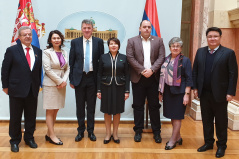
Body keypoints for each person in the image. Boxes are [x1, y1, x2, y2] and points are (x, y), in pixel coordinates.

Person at [192, 27, 238, 158]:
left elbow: (233, 74)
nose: (212, 39)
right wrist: (195, 88)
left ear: (220, 38)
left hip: (221, 94)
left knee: (221, 121)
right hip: (204, 93)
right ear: (207, 38)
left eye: (215, 36)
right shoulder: (200, 52)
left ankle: (221, 146)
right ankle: (208, 143)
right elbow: (195, 71)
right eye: (210, 36)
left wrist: (230, 92)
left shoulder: (228, 53)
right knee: (206, 120)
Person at [1, 26, 42, 152]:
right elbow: (5, 70)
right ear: (19, 37)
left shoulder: (37, 51)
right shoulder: (12, 50)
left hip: (32, 90)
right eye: (25, 35)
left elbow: (37, 71)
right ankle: (14, 140)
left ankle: (29, 138)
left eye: (29, 34)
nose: (28, 36)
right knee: (15, 117)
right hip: (16, 89)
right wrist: (5, 86)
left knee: (31, 116)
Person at [126, 20, 165, 143]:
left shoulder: (159, 41)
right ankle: (138, 130)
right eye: (144, 27)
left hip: (153, 78)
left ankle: (156, 132)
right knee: (138, 106)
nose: (147, 29)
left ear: (151, 29)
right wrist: (143, 70)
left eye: (149, 27)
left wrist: (152, 70)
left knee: (154, 106)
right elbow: (130, 58)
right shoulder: (132, 41)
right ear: (140, 28)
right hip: (138, 78)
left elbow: (161, 57)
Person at [69, 19, 104, 142]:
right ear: (81, 29)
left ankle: (90, 131)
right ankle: (80, 131)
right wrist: (71, 79)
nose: (87, 30)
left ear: (93, 29)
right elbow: (71, 62)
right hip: (79, 78)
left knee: (91, 107)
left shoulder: (99, 42)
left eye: (89, 28)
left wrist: (100, 82)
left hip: (92, 79)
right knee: (80, 107)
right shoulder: (75, 42)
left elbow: (101, 63)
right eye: (84, 28)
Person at [158, 37, 193, 150]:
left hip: (180, 92)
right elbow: (162, 76)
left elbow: (189, 78)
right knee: (172, 116)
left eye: (178, 46)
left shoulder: (185, 60)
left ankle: (172, 140)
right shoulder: (166, 59)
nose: (175, 48)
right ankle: (178, 137)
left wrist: (187, 95)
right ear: (170, 47)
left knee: (177, 116)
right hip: (168, 91)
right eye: (173, 46)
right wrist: (161, 91)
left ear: (181, 48)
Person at [97, 38, 130, 144]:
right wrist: (98, 90)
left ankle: (115, 134)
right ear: (108, 46)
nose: (113, 45)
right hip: (105, 87)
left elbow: (127, 75)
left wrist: (127, 90)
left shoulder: (124, 58)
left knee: (117, 111)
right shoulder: (103, 57)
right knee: (107, 111)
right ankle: (107, 134)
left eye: (115, 44)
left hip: (120, 87)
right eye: (111, 44)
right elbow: (99, 74)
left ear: (119, 46)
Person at [42, 30, 70, 145]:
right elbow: (47, 70)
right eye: (54, 38)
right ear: (50, 40)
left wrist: (64, 81)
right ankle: (52, 135)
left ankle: (49, 133)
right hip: (50, 84)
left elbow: (68, 68)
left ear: (61, 39)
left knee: (56, 109)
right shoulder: (46, 52)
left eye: (58, 38)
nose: (56, 40)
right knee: (50, 109)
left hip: (61, 84)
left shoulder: (65, 51)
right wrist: (59, 81)